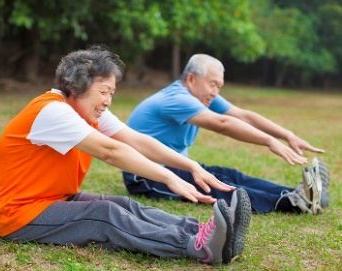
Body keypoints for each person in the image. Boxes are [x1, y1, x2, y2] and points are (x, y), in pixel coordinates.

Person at [0, 46, 253, 265]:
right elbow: (110, 151)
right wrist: (167, 176)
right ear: (76, 86)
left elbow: (136, 140)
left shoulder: (88, 111)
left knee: (125, 205)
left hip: (53, 199)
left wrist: (190, 165)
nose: (107, 101)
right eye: (103, 91)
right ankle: (199, 246)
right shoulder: (52, 111)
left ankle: (201, 231)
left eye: (111, 94)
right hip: (19, 216)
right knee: (104, 214)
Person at [123, 53, 331, 215]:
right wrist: (268, 141)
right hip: (145, 176)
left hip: (175, 166)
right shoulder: (177, 99)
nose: (216, 92)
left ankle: (298, 193)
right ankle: (291, 203)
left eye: (219, 86)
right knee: (220, 184)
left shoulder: (201, 96)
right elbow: (222, 123)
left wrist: (287, 135)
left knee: (230, 176)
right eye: (212, 84)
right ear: (192, 78)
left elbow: (243, 115)